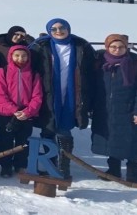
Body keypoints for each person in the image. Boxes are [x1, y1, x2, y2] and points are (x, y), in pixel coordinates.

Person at [29, 18, 95, 179]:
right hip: (47, 94)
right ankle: (49, 164)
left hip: (72, 94)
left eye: (62, 27)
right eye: (54, 29)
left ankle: (64, 166)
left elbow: (92, 69)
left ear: (68, 28)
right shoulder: (40, 46)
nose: (58, 31)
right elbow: (28, 67)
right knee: (48, 129)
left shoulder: (81, 46)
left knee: (64, 130)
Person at [90, 34, 137, 183]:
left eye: (121, 47)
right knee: (112, 139)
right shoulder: (100, 65)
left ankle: (133, 171)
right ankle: (114, 170)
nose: (117, 50)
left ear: (126, 48)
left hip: (129, 110)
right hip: (106, 110)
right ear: (107, 47)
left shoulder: (135, 65)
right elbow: (93, 88)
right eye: (113, 47)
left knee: (133, 140)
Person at [0, 45, 43, 177]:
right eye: (17, 55)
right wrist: (14, 110)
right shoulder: (3, 71)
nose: (20, 58)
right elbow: (0, 94)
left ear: (28, 57)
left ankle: (20, 164)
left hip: (26, 114)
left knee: (23, 141)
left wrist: (28, 111)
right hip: (7, 113)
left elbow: (37, 96)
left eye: (23, 56)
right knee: (6, 140)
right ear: (11, 56)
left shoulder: (33, 74)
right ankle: (5, 166)